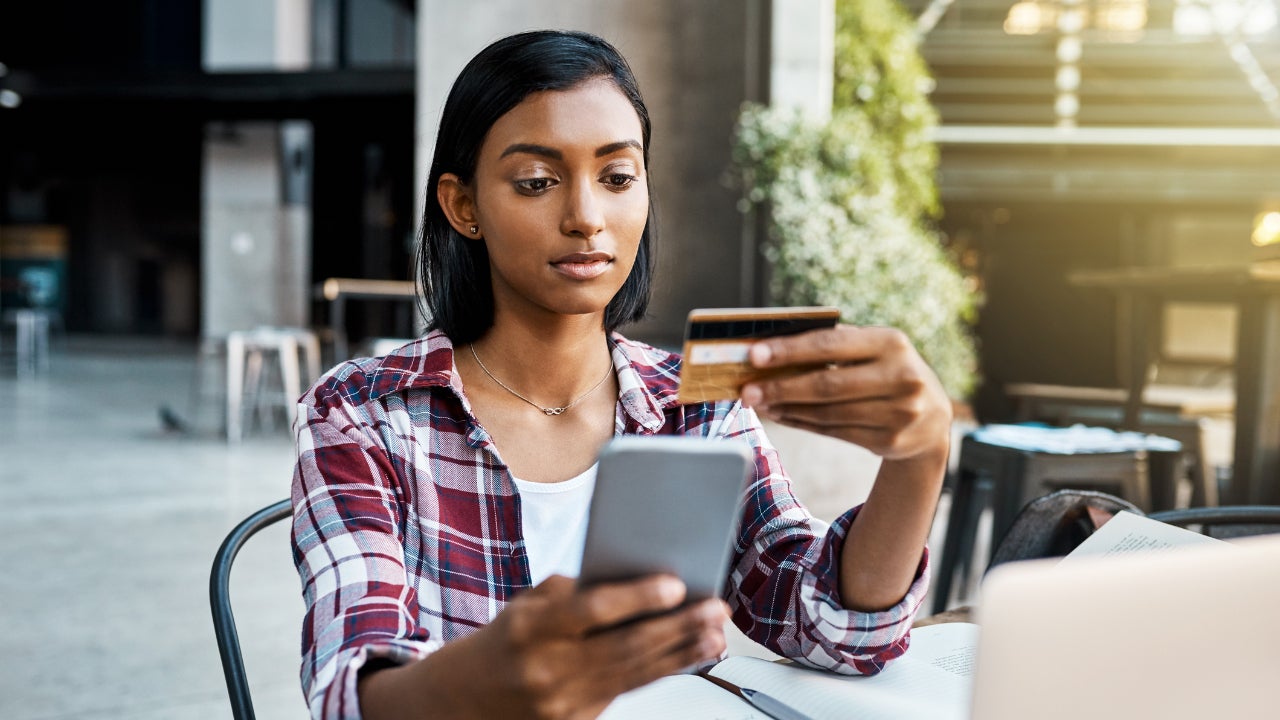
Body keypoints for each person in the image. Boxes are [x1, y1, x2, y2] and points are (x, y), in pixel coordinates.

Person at [291, 29, 952, 720]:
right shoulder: (363, 414)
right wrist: (485, 682)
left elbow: (829, 627)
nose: (585, 218)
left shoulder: (695, 405)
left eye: (616, 178)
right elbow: (351, 694)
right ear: (463, 207)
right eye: (537, 182)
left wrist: (918, 456)